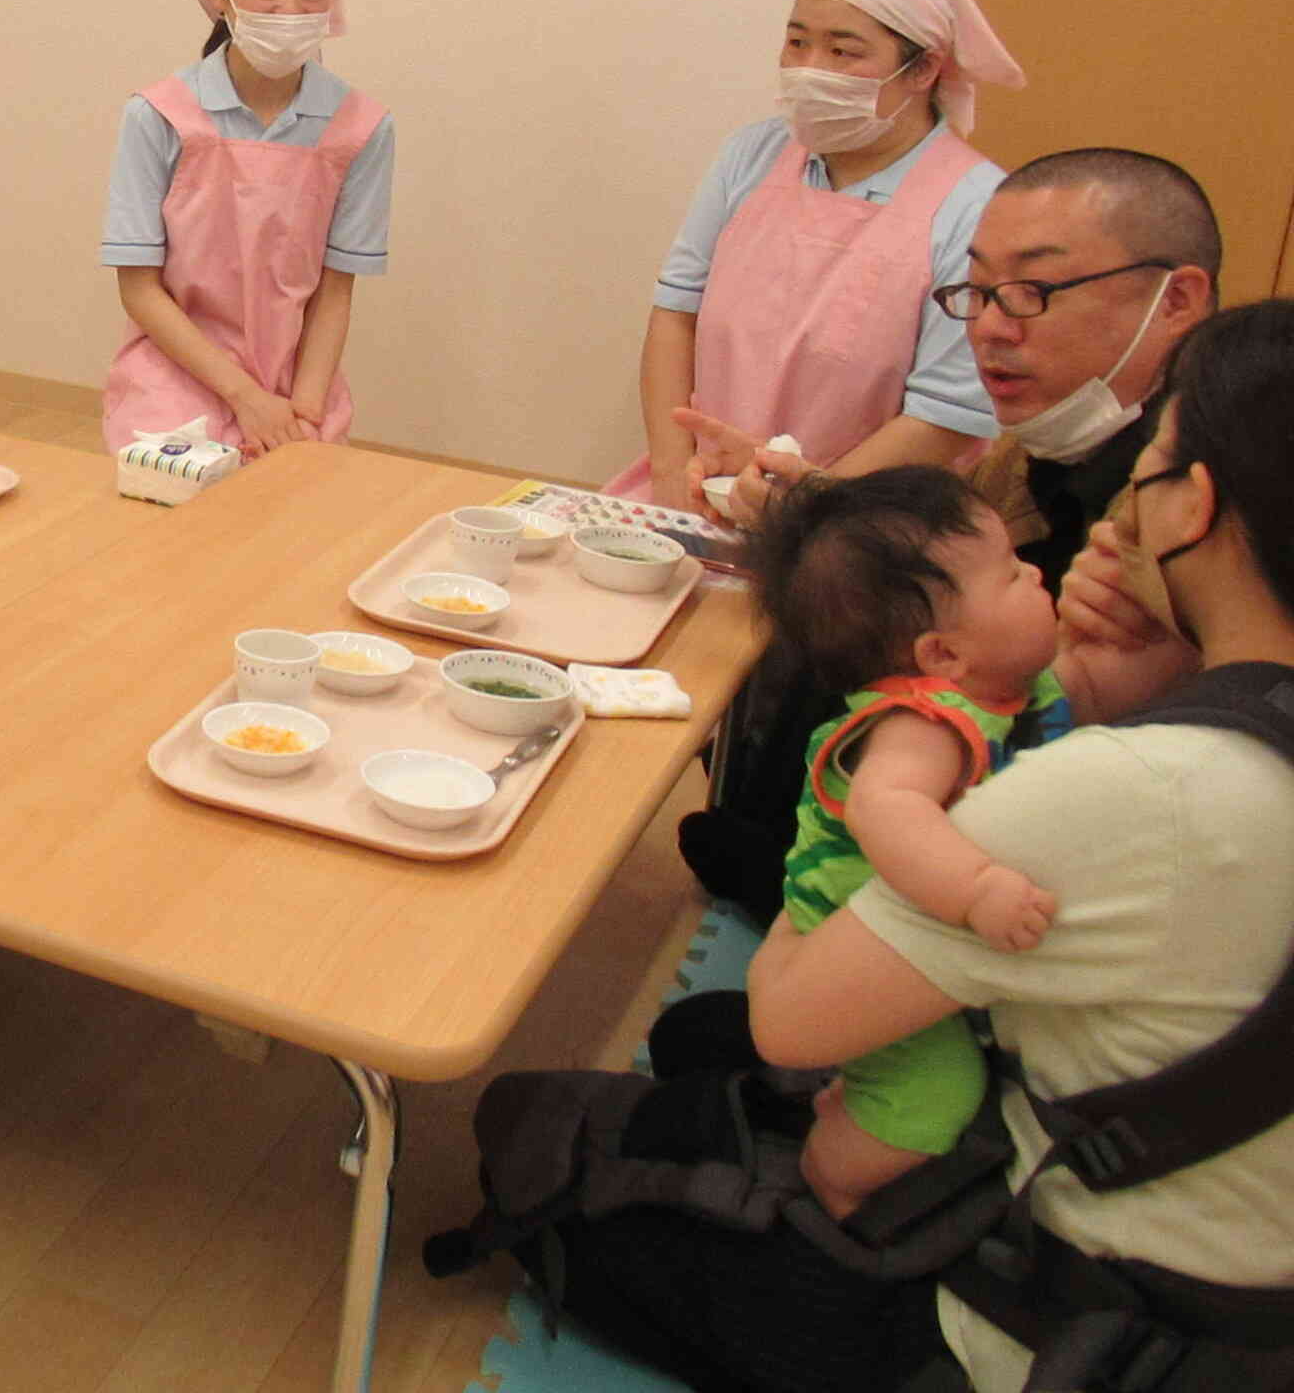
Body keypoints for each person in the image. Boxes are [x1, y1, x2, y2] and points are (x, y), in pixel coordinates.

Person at [501, 299, 1294, 1393]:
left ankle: (839, 1219)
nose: (1110, 516)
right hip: (1219, 1249)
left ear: (1194, 505)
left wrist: (815, 899)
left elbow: (792, 1020)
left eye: (1146, 468)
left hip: (1086, 1317)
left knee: (533, 1132)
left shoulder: (1135, 791)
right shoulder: (1215, 725)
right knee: (695, 1036)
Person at [673, 149, 1222, 919]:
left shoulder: (1196, 484)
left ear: (1176, 300)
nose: (992, 328)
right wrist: (799, 501)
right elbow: (946, 550)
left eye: (1033, 291)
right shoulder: (1051, 433)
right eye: (981, 291)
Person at [745, 469, 1072, 1219]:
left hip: (905, 940)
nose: (1038, 573)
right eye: (1014, 574)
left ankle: (851, 1098)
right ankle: (831, 1185)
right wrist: (976, 888)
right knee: (934, 1092)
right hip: (846, 942)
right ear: (943, 656)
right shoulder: (925, 725)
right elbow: (882, 807)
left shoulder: (1007, 687)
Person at [618, 0, 1025, 512]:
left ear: (924, 68)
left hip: (866, 527)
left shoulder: (977, 206)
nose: (811, 69)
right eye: (798, 42)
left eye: (843, 51)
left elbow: (947, 413)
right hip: (701, 495)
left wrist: (802, 506)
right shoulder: (752, 156)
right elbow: (675, 313)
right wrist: (670, 481)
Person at [100, 0, 394, 456]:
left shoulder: (361, 127)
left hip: (297, 389)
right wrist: (244, 398)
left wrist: (304, 412)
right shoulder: (160, 115)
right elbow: (138, 287)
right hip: (175, 381)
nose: (292, 8)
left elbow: (335, 291)